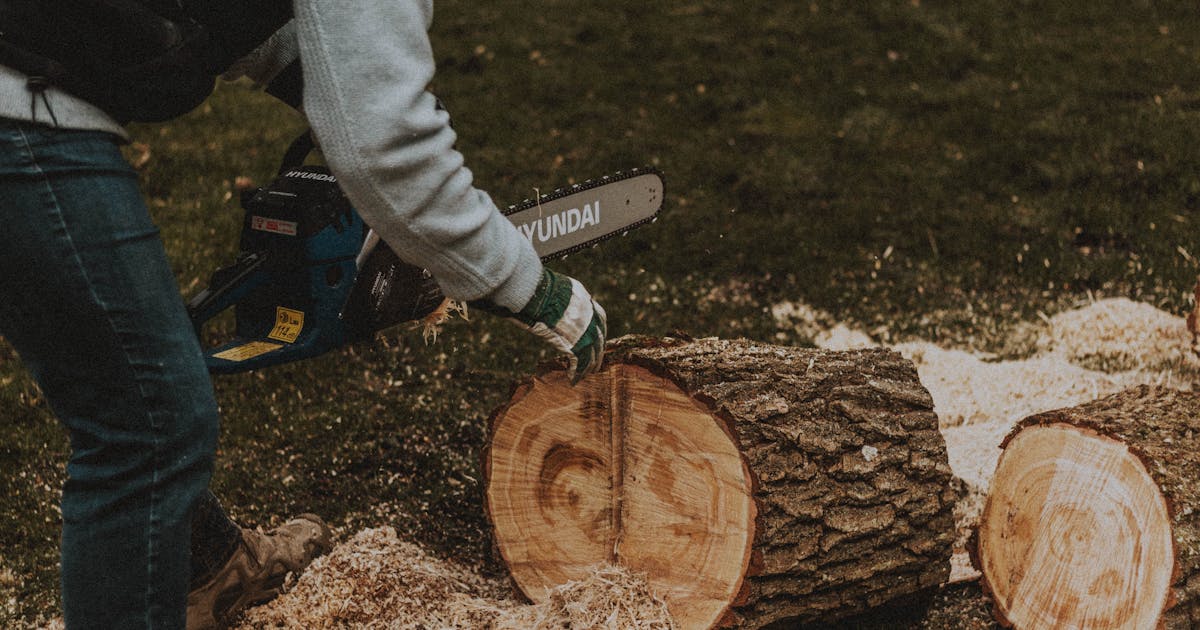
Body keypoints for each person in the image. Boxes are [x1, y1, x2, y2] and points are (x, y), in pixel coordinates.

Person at [0, 1, 607, 628]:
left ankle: (204, 566)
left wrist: (326, 82)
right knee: (150, 428)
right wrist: (526, 285)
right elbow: (388, 149)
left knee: (126, 381)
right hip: (24, 114)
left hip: (27, 80)